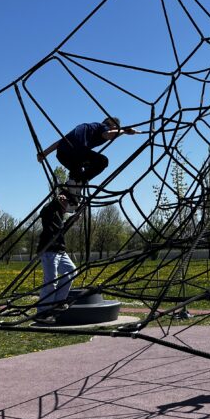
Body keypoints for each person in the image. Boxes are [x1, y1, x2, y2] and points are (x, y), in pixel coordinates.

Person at [37, 117, 138, 200]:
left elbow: (61, 142)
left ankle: (71, 193)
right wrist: (124, 131)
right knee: (102, 161)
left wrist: (44, 153)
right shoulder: (103, 127)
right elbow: (108, 134)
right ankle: (79, 182)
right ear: (113, 126)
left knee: (77, 174)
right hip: (77, 151)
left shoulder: (90, 127)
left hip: (62, 155)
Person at [34, 192, 77, 325]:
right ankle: (42, 313)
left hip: (60, 250)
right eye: (66, 203)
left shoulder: (59, 216)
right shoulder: (50, 210)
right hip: (49, 251)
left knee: (71, 271)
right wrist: (55, 200)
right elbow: (44, 211)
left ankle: (58, 302)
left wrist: (73, 219)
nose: (67, 207)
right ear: (61, 201)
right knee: (51, 281)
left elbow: (61, 230)